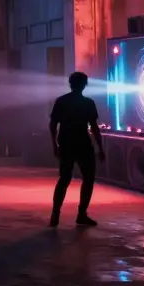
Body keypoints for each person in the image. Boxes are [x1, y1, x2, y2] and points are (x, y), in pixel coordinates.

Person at [49, 71, 105, 227]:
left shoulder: (61, 101)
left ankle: (55, 214)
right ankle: (81, 214)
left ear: (70, 84)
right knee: (88, 179)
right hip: (83, 144)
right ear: (85, 85)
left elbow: (53, 124)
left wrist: (54, 144)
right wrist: (100, 148)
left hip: (66, 143)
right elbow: (94, 128)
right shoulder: (88, 103)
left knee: (64, 179)